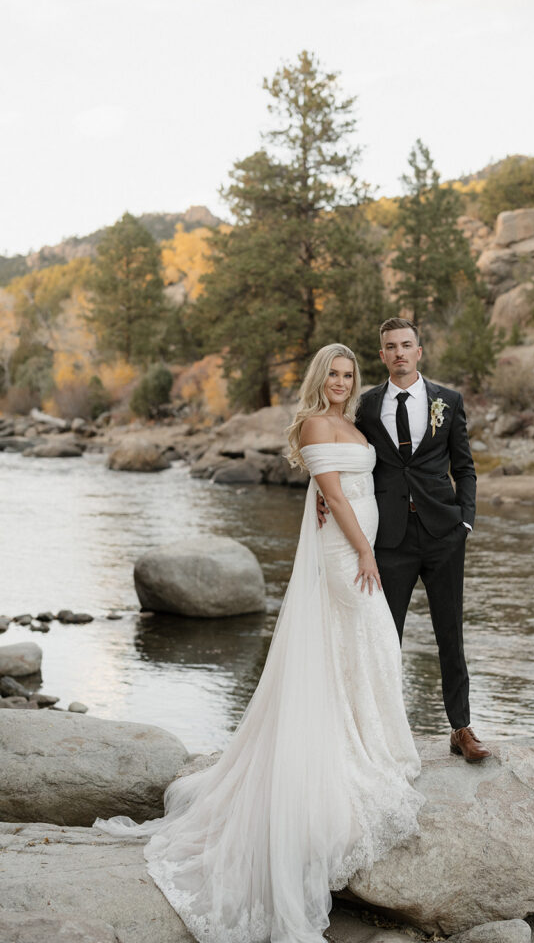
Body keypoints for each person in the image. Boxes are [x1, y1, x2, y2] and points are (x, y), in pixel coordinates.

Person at [95, 342, 423, 943]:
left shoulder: (351, 422)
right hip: (347, 549)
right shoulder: (315, 424)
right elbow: (333, 495)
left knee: (363, 638)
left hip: (358, 540)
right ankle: (358, 741)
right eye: (334, 375)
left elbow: (347, 489)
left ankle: (364, 731)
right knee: (368, 632)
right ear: (320, 379)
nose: (343, 383)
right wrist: (366, 551)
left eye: (350, 375)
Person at [318, 318, 490, 762]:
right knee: (382, 636)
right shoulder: (366, 406)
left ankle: (461, 728)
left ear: (419, 351)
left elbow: (465, 467)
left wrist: (465, 522)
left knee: (449, 633)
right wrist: (321, 493)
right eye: (390, 346)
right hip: (387, 540)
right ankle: (383, 731)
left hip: (443, 536)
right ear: (382, 355)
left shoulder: (447, 402)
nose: (398, 352)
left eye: (406, 345)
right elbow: (336, 450)